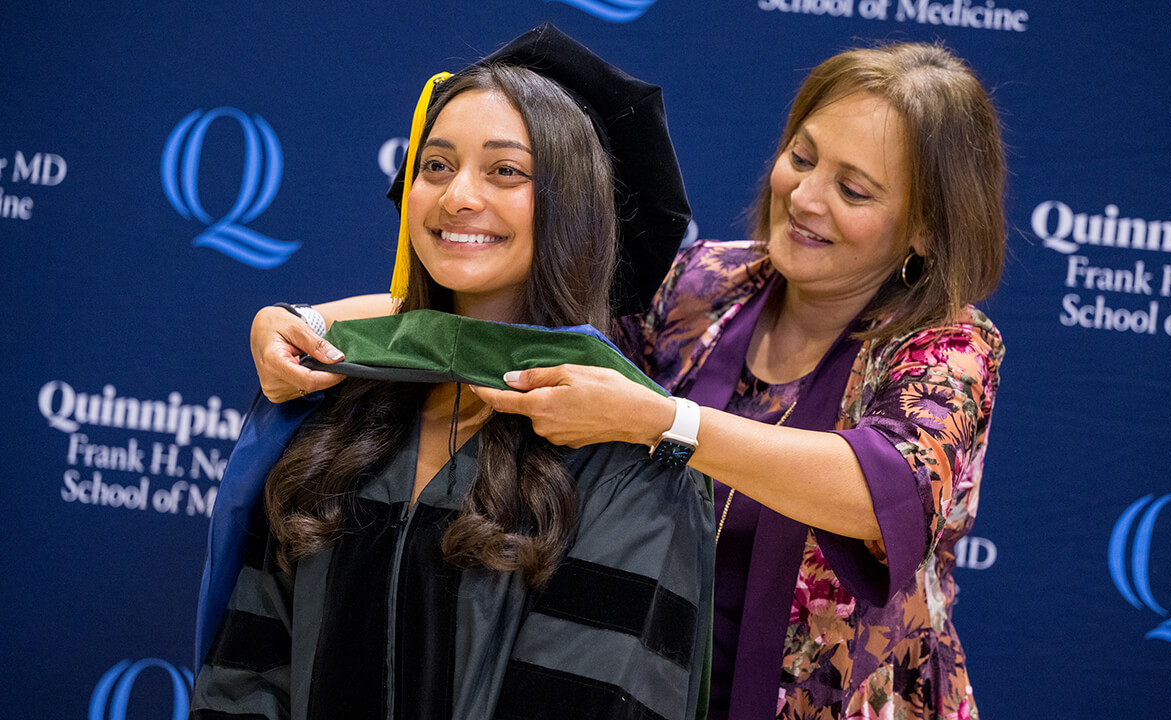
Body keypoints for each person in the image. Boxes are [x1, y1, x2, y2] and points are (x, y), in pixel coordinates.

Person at [255, 41, 1005, 720]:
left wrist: (664, 421)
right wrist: (310, 324)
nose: (805, 198)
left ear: (925, 228)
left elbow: (885, 492)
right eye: (802, 159)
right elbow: (517, 329)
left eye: (855, 189)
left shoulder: (950, 349)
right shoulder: (704, 283)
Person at [193, 26, 713, 720]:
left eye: (505, 171)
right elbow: (247, 671)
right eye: (435, 166)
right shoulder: (339, 408)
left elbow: (598, 698)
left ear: (572, 206)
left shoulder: (625, 455)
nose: (457, 196)